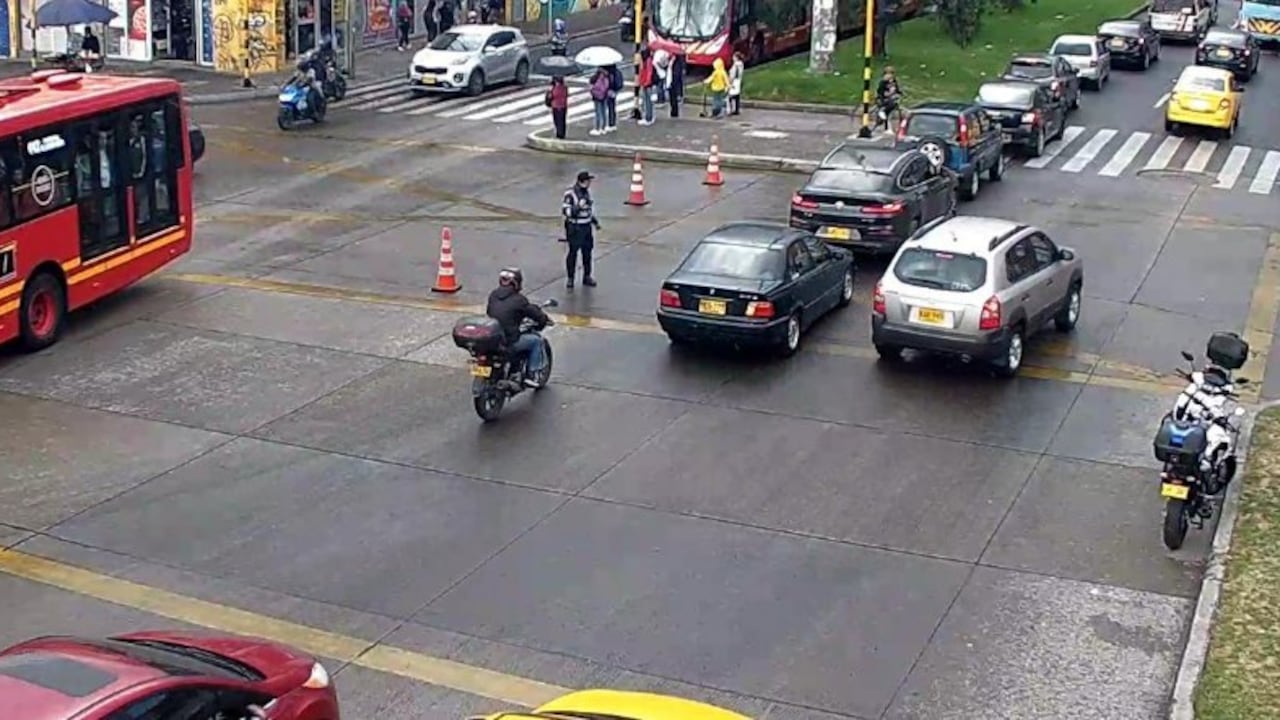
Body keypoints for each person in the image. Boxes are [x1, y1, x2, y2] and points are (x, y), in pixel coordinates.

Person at [486, 268, 551, 388]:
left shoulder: (493, 295)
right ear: (517, 283)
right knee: (537, 341)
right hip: (509, 341)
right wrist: (543, 320)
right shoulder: (519, 300)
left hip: (494, 340)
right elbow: (534, 314)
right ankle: (532, 375)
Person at [561, 170, 601, 289]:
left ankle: (587, 276)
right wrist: (579, 206)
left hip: (586, 227)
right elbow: (567, 212)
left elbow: (588, 210)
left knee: (587, 253)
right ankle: (570, 278)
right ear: (581, 182)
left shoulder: (586, 193)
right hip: (575, 228)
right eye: (588, 181)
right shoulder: (570, 194)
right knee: (573, 253)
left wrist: (594, 222)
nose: (589, 183)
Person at [636, 47, 656, 125]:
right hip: (646, 83)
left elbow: (649, 73)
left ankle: (648, 118)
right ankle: (648, 117)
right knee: (647, 101)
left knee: (648, 101)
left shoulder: (647, 62)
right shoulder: (646, 61)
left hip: (647, 84)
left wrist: (646, 83)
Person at [588, 68, 609, 136]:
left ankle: (597, 128)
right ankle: (603, 127)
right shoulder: (606, 78)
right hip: (604, 97)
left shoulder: (594, 79)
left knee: (598, 113)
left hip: (597, 98)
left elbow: (591, 88)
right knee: (603, 112)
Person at [604, 63, 624, 132]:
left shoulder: (608, 73)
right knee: (612, 107)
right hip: (614, 91)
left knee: (608, 107)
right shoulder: (617, 72)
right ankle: (613, 123)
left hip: (609, 91)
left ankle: (609, 123)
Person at [669, 52, 685, 118]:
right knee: (672, 96)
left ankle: (674, 112)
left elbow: (677, 72)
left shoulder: (677, 60)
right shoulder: (673, 59)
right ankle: (673, 110)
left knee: (673, 95)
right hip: (672, 79)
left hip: (673, 79)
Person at [728, 51, 744, 115]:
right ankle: (736, 109)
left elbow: (733, 74)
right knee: (737, 96)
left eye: (734, 57)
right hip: (739, 81)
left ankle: (731, 109)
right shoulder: (741, 64)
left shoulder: (736, 65)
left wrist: (730, 82)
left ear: (736, 58)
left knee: (730, 96)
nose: (732, 58)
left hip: (734, 81)